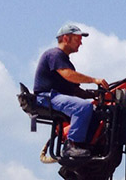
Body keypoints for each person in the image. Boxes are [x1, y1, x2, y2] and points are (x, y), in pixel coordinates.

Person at [34, 23, 107, 161]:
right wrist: (94, 80)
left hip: (56, 96)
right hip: (47, 97)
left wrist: (93, 95)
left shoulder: (63, 60)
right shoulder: (54, 55)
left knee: (95, 111)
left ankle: (87, 146)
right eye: (77, 38)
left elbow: (73, 89)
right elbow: (68, 74)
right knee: (83, 107)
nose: (81, 43)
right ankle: (72, 146)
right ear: (66, 38)